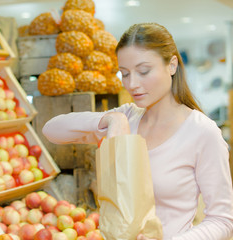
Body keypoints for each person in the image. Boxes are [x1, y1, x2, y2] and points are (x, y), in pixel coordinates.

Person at [42, 23, 233, 239]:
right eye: (124, 74)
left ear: (171, 65)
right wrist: (110, 118)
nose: (132, 84)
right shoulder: (126, 119)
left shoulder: (202, 132)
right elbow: (51, 130)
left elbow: (222, 219)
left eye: (143, 71)